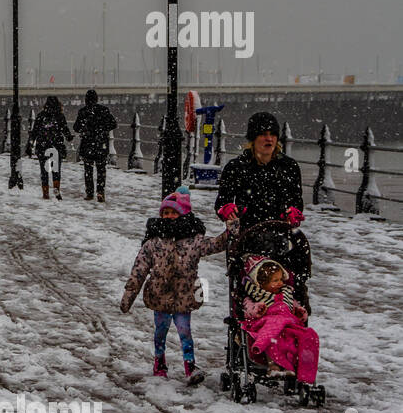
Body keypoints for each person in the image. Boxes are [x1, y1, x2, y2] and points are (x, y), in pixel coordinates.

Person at [120, 185, 233, 384]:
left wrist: (231, 229)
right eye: (166, 212)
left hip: (184, 296)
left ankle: (190, 366)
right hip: (160, 295)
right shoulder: (153, 242)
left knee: (185, 332)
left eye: (174, 212)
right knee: (160, 332)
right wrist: (129, 295)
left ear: (183, 214)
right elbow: (139, 269)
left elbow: (215, 244)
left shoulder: (193, 240)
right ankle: (159, 362)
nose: (169, 216)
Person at [215, 110, 311, 308]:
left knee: (289, 277)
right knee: (250, 281)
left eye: (273, 134)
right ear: (253, 139)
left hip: (280, 235)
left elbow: (296, 200)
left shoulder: (289, 167)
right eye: (263, 134)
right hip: (247, 237)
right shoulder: (236, 167)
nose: (269, 138)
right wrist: (227, 209)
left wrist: (293, 211)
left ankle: (289, 310)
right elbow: (222, 202)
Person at [239, 256, 320, 385]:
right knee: (272, 335)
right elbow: (248, 310)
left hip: (288, 324)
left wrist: (299, 312)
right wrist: (257, 310)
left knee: (307, 335)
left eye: (281, 279)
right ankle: (274, 366)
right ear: (262, 283)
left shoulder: (286, 293)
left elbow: (295, 306)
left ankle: (300, 373)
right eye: (275, 280)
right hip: (266, 323)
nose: (280, 283)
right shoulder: (254, 296)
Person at [73, 88, 117, 203]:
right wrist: (102, 129)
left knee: (88, 170)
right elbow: (113, 124)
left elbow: (76, 128)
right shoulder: (104, 110)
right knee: (101, 170)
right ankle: (100, 192)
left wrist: (85, 129)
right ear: (97, 99)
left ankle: (89, 193)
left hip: (87, 144)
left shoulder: (83, 111)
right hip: (101, 144)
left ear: (86, 99)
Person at [26, 95, 73, 199]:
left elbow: (34, 132)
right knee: (56, 170)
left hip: (42, 147)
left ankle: (45, 193)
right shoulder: (60, 116)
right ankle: (56, 192)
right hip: (56, 146)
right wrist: (69, 137)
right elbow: (66, 131)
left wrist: (30, 145)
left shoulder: (40, 116)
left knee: (44, 171)